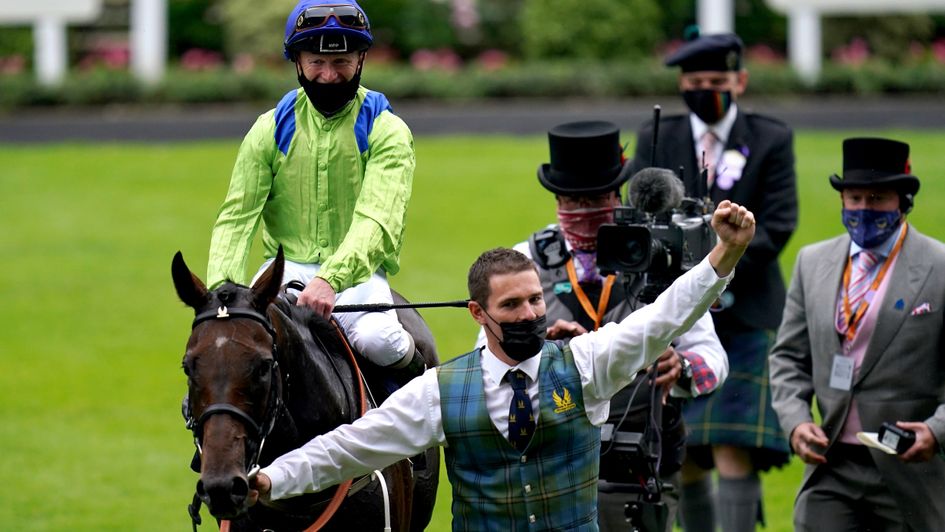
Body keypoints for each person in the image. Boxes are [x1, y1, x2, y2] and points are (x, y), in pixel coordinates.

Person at [249, 201, 759, 530]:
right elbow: (351, 448)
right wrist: (270, 480)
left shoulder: (587, 365)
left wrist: (725, 255)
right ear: (478, 313)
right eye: (512, 306)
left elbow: (662, 319)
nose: (531, 314)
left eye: (536, 300)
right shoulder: (440, 392)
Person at [473, 120, 728, 531]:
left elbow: (713, 358)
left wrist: (679, 367)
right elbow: (484, 361)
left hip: (639, 458)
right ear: (556, 199)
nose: (582, 211)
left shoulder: (662, 254)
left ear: (617, 195)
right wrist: (544, 349)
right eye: (571, 200)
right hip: (548, 461)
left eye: (594, 198)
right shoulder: (523, 262)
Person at [629, 30, 797, 531]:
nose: (706, 89)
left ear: (740, 81)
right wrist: (687, 280)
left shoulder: (770, 137)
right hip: (676, 311)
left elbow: (778, 225)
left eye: (717, 80)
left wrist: (715, 264)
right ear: (682, 84)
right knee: (692, 452)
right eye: (696, 80)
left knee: (731, 448)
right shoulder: (658, 136)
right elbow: (639, 218)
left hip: (745, 312)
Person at [206, 0, 424, 384]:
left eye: (341, 63)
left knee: (381, 342)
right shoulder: (268, 129)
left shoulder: (387, 130)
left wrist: (331, 279)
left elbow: (377, 220)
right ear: (298, 63)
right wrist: (221, 293)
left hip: (358, 277)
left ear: (360, 61)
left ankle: (422, 403)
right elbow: (237, 217)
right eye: (316, 63)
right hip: (284, 269)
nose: (328, 75)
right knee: (226, 345)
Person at [769, 137, 945, 530]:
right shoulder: (811, 262)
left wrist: (937, 430)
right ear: (842, 201)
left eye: (878, 198)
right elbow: (787, 358)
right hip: (831, 464)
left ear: (903, 200)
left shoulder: (940, 266)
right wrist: (797, 421)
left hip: (909, 470)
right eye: (855, 198)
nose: (864, 209)